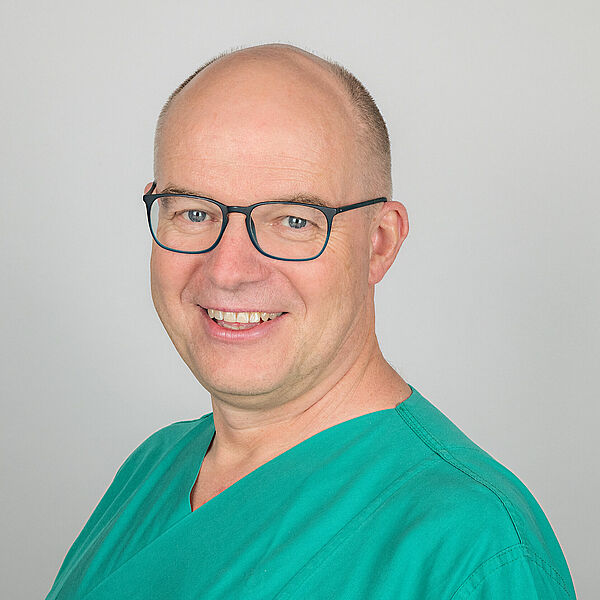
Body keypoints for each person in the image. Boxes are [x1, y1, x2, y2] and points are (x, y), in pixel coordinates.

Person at [45, 43, 576, 599]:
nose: (227, 270)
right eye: (194, 212)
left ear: (379, 243)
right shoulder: (153, 468)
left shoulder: (471, 549)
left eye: (294, 221)